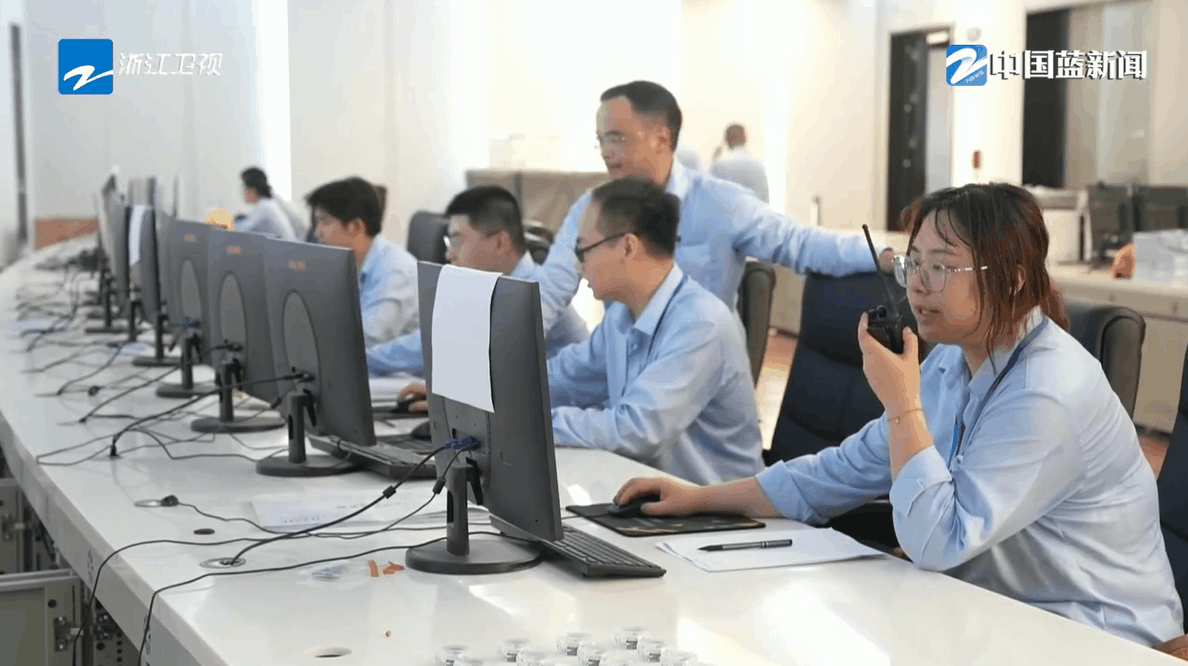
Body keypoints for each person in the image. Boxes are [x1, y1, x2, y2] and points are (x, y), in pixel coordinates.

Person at [613, 183, 1183, 647]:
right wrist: (701, 498)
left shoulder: (1047, 389)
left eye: (942, 267)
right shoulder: (955, 359)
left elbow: (939, 540)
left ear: (1010, 279)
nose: (917, 285)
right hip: (996, 614)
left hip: (1094, 636)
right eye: (914, 263)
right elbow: (843, 469)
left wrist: (902, 405)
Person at [399, 178, 764, 485]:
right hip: (648, 496)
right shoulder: (622, 317)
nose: (577, 263)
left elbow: (634, 431)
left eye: (583, 248)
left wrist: (513, 419)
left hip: (718, 519)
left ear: (627, 247)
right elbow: (562, 377)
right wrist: (471, 396)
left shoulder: (700, 325)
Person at [532, 81, 893, 340]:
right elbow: (550, 290)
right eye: (601, 141)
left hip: (699, 381)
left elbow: (800, 243)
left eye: (616, 138)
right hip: (626, 371)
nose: (606, 152)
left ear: (661, 137)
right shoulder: (591, 209)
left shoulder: (720, 204)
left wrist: (883, 256)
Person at [367, 185, 589, 376]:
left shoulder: (534, 293)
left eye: (457, 241)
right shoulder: (487, 288)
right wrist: (365, 360)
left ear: (499, 243)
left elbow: (439, 345)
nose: (449, 255)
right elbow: (430, 342)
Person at [307, 177, 418, 347]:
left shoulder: (396, 271)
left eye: (325, 221)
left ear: (356, 226)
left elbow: (366, 338)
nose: (317, 232)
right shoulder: (349, 262)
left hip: (388, 363)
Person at [236, 167, 306, 240]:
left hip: (285, 245)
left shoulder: (264, 206)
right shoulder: (268, 203)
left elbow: (242, 229)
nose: (242, 192)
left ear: (253, 189)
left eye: (244, 187)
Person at [708, 124, 770, 203]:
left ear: (726, 140)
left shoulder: (720, 164)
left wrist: (714, 161)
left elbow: (709, 190)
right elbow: (765, 196)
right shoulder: (760, 165)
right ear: (745, 139)